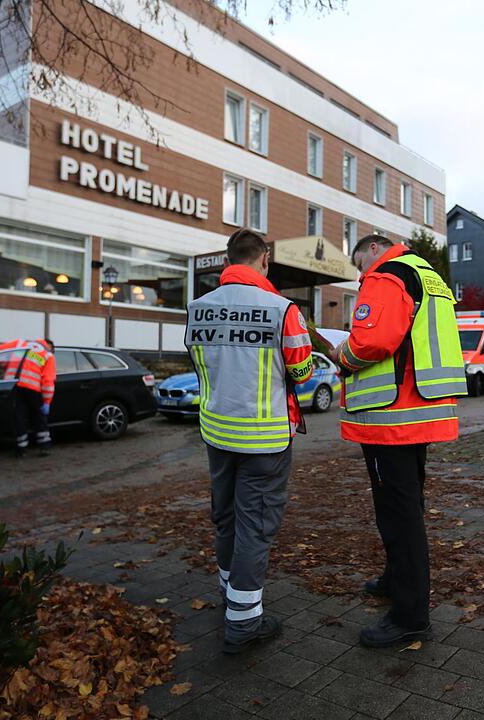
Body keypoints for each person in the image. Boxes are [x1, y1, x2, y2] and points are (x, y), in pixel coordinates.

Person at [331, 234, 467, 648]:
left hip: (390, 416)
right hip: (417, 409)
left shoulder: (386, 275)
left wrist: (341, 355)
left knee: (397, 515)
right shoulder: (427, 275)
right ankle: (395, 580)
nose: (361, 274)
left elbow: (373, 341)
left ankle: (410, 616)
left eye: (359, 263)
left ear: (374, 249)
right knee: (407, 506)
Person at [185, 229, 314, 655]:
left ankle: (230, 593)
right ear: (265, 260)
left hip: (217, 432)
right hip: (264, 438)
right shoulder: (282, 309)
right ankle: (243, 623)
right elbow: (302, 373)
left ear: (226, 261)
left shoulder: (198, 309)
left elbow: (201, 363)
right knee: (255, 527)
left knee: (225, 517)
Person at [0, 338, 57, 457]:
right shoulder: (48, 356)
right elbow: (48, 381)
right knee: (38, 417)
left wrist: (6, 365)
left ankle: (21, 448)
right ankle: (44, 446)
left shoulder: (19, 344)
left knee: (19, 417)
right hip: (32, 388)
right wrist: (47, 401)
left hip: (13, 386)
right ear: (49, 348)